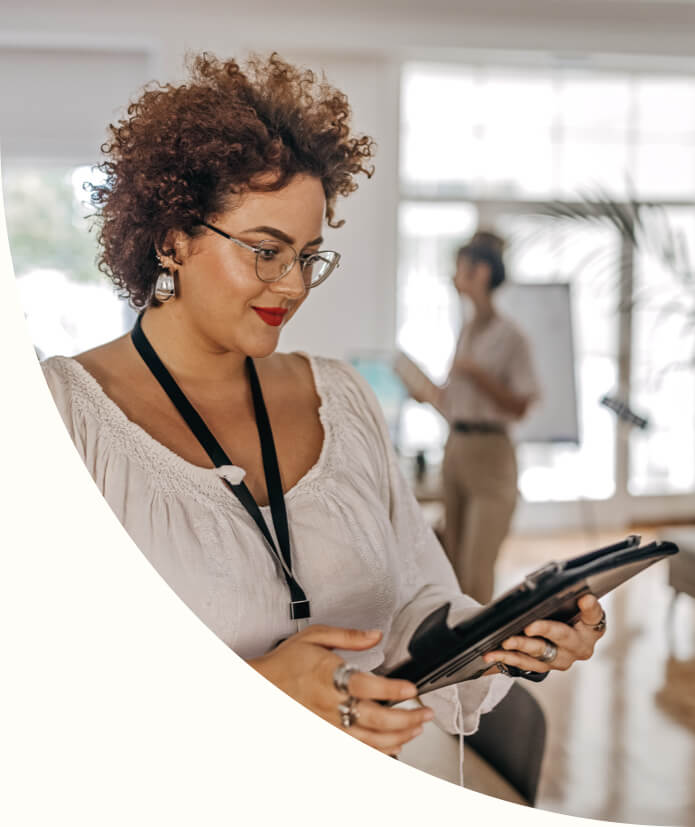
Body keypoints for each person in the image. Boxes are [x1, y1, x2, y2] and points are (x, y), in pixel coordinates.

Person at [40, 53, 605, 767]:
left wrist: (499, 635)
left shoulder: (338, 396)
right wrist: (263, 686)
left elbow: (413, 600)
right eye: (265, 251)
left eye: (309, 255)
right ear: (171, 239)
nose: (293, 285)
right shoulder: (62, 416)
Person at [441, 232, 540, 604]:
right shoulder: (467, 330)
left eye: (459, 269)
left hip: (491, 453)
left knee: (475, 569)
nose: (453, 277)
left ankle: (476, 658)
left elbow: (521, 406)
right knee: (449, 563)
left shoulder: (511, 336)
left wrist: (478, 375)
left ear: (480, 272)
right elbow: (453, 399)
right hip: (456, 446)